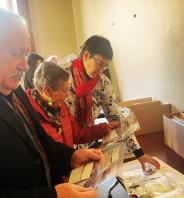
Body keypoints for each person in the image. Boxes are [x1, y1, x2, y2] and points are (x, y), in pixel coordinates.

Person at [0, 8, 102, 198]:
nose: (24, 65)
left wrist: (69, 156)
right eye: (16, 53)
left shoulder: (6, 80)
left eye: (26, 54)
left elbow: (34, 141)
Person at [66, 35, 160, 171]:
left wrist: (139, 154)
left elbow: (117, 120)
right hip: (66, 151)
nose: (101, 70)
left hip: (89, 147)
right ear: (86, 55)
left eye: (105, 66)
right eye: (99, 63)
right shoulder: (64, 80)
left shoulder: (102, 83)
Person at [26, 61, 120, 148]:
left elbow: (78, 133)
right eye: (64, 90)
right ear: (47, 91)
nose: (67, 95)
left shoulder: (60, 106)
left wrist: (104, 129)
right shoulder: (29, 114)